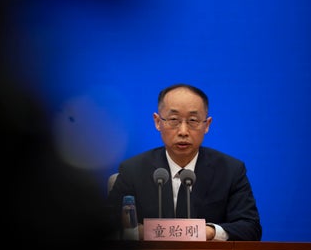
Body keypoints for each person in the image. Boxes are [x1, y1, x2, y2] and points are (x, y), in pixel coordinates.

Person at [107, 83, 261, 241]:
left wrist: (209, 232)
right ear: (158, 122)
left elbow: (250, 228)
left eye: (193, 121)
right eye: (174, 120)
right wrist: (133, 232)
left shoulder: (230, 171)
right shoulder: (133, 170)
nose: (183, 131)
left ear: (207, 125)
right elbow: (105, 227)